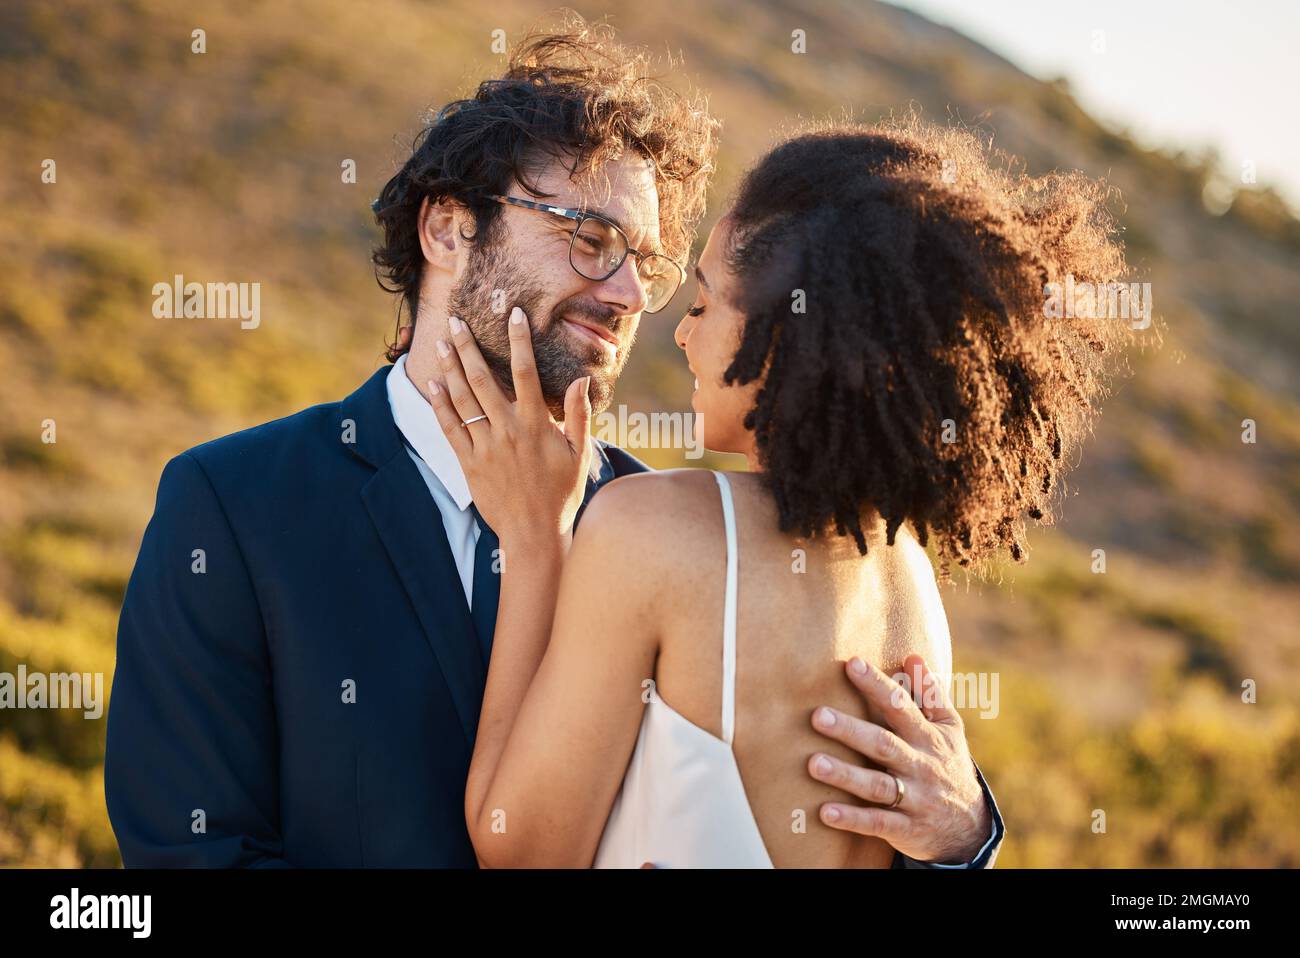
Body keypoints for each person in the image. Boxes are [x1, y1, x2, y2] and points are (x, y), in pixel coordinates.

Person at [104, 23, 1003, 868]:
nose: (625, 295)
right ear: (449, 229)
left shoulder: (662, 531)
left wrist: (966, 831)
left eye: (648, 267)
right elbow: (191, 854)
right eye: (590, 240)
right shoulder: (234, 507)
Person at [438, 117, 1127, 867]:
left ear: (786, 338)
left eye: (703, 305)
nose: (681, 335)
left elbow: (520, 849)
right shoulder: (909, 579)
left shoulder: (654, 530)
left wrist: (535, 539)